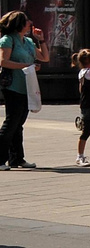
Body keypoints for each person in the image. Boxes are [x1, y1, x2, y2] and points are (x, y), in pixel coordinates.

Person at [0, 10, 48, 168]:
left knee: (18, 124)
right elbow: (3, 62)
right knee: (11, 123)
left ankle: (17, 158)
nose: (30, 23)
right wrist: (27, 66)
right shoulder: (7, 40)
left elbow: (44, 57)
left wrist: (41, 40)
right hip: (13, 86)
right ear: (19, 23)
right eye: (27, 21)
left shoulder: (28, 41)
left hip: (26, 86)